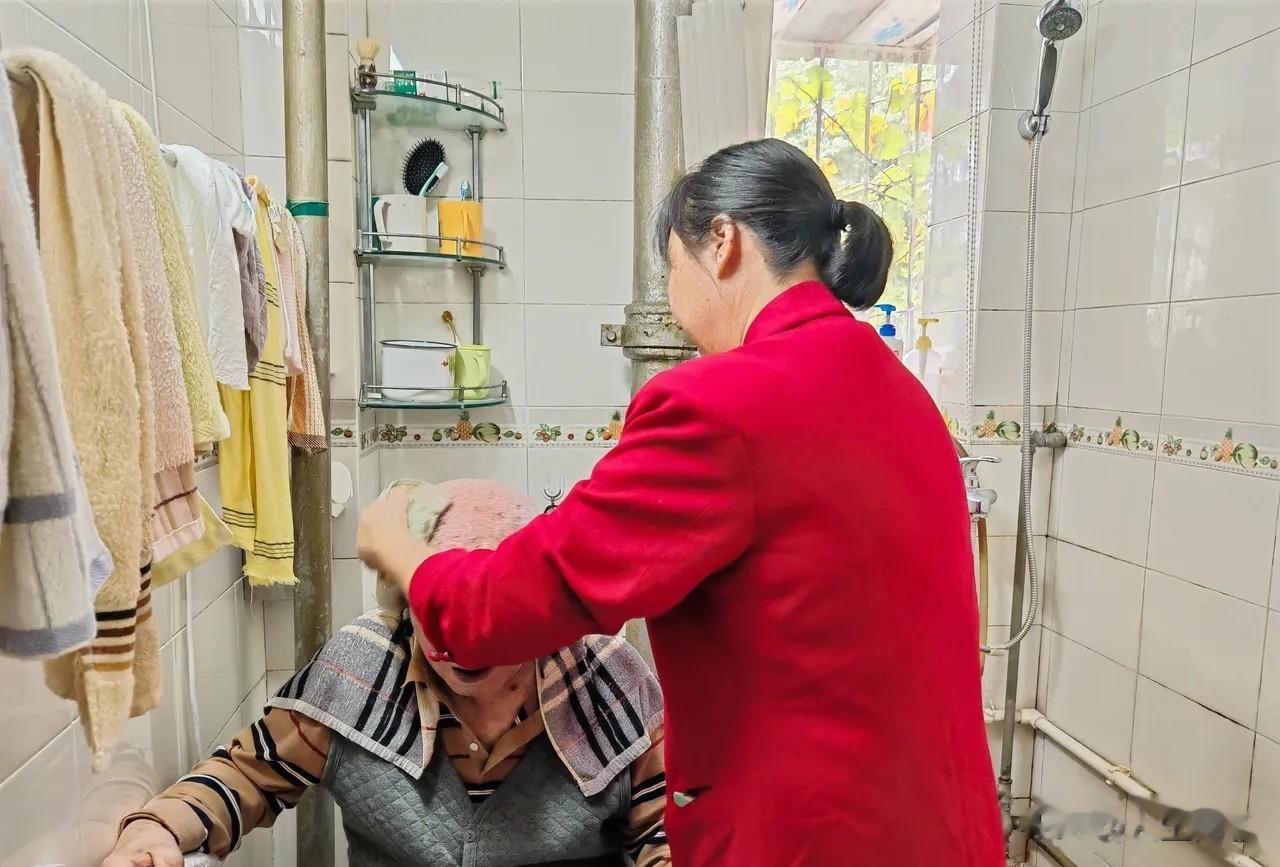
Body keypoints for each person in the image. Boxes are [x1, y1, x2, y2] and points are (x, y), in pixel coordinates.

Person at [357, 139, 1005, 866]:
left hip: (812, 839)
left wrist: (398, 547)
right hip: (944, 829)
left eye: (671, 267)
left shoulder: (718, 404)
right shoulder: (903, 393)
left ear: (723, 242)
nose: (672, 300)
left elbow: (499, 611)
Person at [103, 479, 669, 867]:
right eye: (439, 611)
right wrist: (156, 829)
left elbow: (665, 829)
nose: (457, 642)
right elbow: (246, 776)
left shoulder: (606, 677)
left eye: (486, 617)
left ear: (539, 613)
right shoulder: (362, 667)